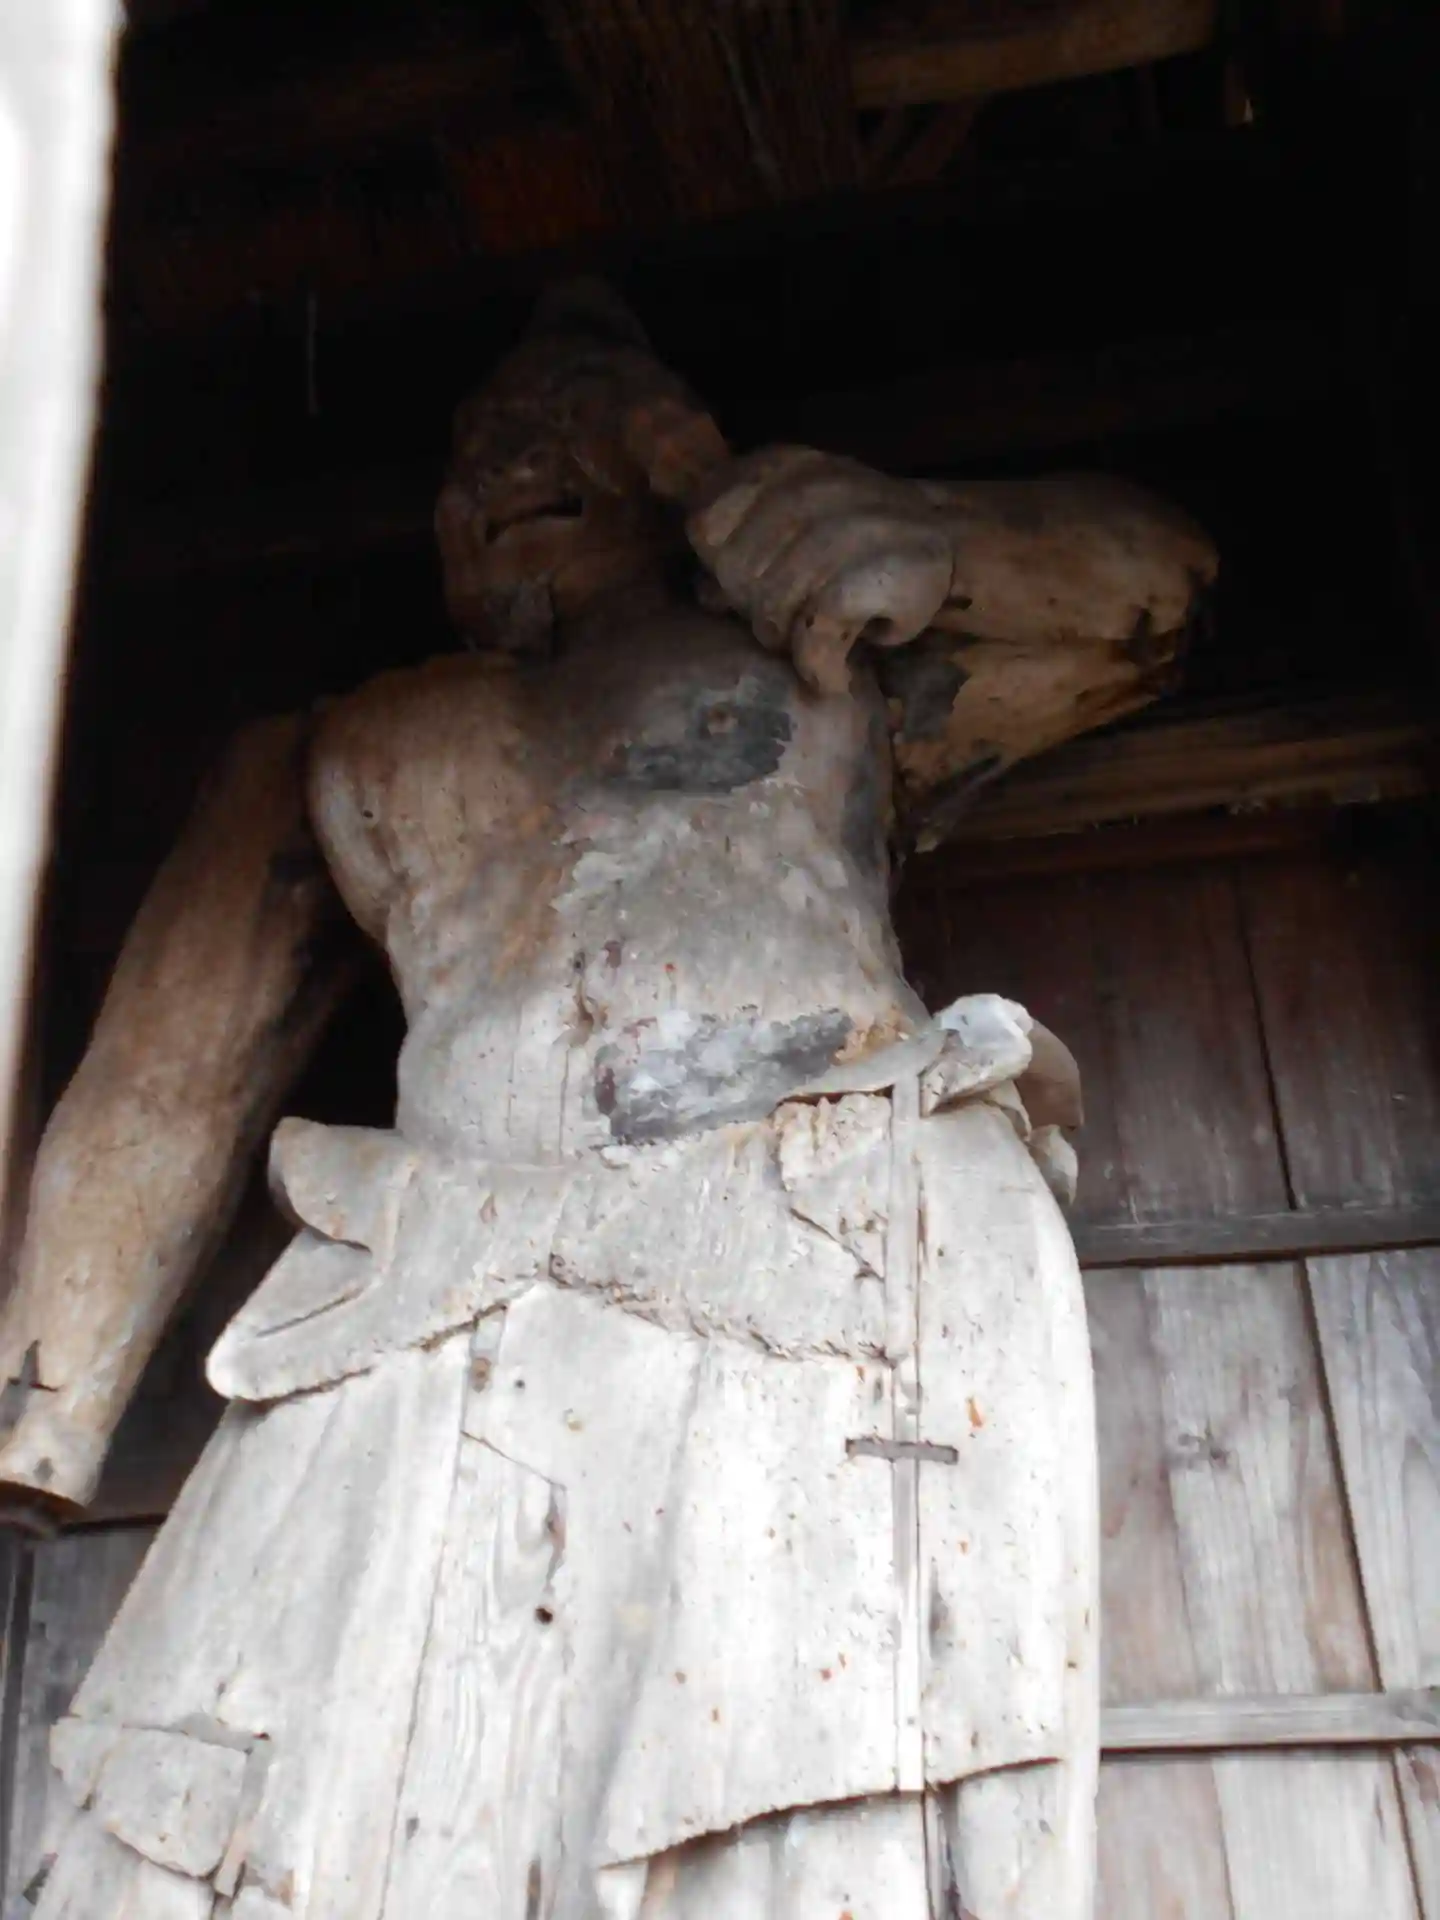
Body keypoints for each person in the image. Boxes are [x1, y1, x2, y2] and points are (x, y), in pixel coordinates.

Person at [0, 282, 1216, 1918]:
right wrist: (43, 1409)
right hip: (433, 1260)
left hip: (820, 1214)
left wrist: (935, 537)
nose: (500, 473)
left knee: (813, 1797)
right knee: (262, 1801)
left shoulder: (822, 667)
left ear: (663, 461)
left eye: (557, 435)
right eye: (473, 454)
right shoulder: (343, 743)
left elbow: (1156, 595)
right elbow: (165, 1078)